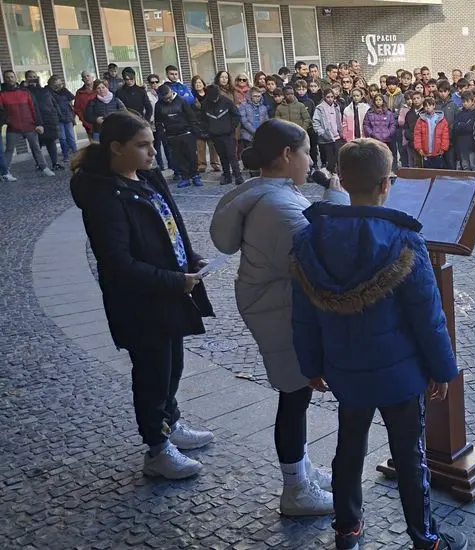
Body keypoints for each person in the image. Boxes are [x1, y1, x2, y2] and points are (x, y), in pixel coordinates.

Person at [290, 137, 468, 550]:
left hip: (344, 368)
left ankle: (346, 529)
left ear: (342, 179)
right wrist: (444, 369)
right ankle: (424, 538)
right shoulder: (402, 239)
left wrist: (311, 363)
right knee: (409, 457)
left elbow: (303, 313)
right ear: (387, 183)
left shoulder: (310, 237)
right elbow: (428, 315)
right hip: (399, 373)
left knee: (348, 449)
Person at [210, 119, 347, 516]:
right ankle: (295, 489)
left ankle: (300, 468)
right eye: (306, 152)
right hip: (279, 309)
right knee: (294, 395)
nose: (311, 161)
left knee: (297, 393)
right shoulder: (278, 205)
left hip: (275, 303)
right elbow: (323, 254)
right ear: (287, 155)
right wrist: (337, 200)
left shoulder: (272, 194)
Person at [69, 111, 215, 480]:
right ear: (117, 148)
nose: (153, 152)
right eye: (143, 145)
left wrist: (190, 256)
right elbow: (117, 261)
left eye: (152, 143)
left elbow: (170, 226)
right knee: (152, 374)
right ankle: (157, 447)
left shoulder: (147, 178)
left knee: (173, 366)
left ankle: (171, 423)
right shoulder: (104, 195)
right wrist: (172, 280)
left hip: (168, 294)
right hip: (141, 302)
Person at [1, 70, 55, 177]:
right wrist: (6, 121)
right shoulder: (2, 94)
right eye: (7, 77)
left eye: (12, 77)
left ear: (15, 77)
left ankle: (44, 167)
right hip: (13, 128)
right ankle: (5, 172)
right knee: (9, 150)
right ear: (4, 79)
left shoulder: (25, 92)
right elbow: (1, 111)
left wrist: (39, 123)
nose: (10, 79)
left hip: (29, 125)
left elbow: (34, 108)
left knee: (36, 148)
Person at [155, 83, 202, 188]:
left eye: (169, 98)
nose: (168, 101)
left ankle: (195, 175)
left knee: (191, 156)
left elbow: (191, 117)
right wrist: (162, 134)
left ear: (171, 92)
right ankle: (184, 177)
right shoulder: (159, 105)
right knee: (178, 158)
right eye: (165, 99)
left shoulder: (181, 101)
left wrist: (194, 132)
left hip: (186, 133)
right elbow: (158, 121)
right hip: (171, 135)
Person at [200, 84, 243, 186]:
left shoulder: (226, 101)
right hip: (215, 135)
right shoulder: (205, 104)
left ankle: (238, 176)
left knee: (232, 155)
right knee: (222, 157)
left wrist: (231, 128)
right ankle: (227, 176)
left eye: (216, 98)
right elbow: (203, 120)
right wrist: (209, 130)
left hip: (228, 134)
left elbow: (236, 115)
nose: (214, 100)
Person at [24, 70, 62, 170]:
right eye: (30, 77)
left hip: (48, 120)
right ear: (26, 78)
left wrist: (57, 115)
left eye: (34, 76)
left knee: (51, 142)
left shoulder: (44, 90)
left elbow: (54, 103)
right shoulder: (24, 91)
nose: (32, 78)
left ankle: (55, 163)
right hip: (34, 121)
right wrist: (24, 86)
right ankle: (40, 164)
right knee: (36, 145)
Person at [48, 75, 77, 167]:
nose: (58, 85)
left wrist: (63, 89)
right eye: (55, 83)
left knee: (71, 137)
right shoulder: (50, 93)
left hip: (67, 117)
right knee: (62, 138)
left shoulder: (64, 91)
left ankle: (76, 154)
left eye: (59, 83)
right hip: (58, 118)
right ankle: (65, 155)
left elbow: (72, 98)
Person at [312, 88, 343, 173]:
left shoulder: (336, 107)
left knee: (338, 158)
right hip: (326, 138)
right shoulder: (320, 108)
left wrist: (341, 131)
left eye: (332, 97)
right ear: (324, 97)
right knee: (330, 160)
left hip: (337, 136)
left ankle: (339, 176)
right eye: (328, 97)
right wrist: (322, 133)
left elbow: (339, 120)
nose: (330, 99)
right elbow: (316, 122)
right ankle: (330, 176)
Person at [413, 97, 450, 168]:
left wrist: (443, 148)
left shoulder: (441, 119)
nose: (428, 107)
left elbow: (445, 135)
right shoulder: (420, 120)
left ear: (434, 106)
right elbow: (417, 135)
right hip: (425, 151)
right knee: (427, 172)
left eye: (430, 105)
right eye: (426, 106)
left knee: (438, 171)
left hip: (438, 151)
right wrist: (419, 148)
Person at [74, 71, 98, 140]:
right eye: (84, 77)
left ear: (92, 77)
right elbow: (77, 108)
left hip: (101, 122)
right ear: (82, 80)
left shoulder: (99, 89)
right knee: (94, 146)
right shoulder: (79, 93)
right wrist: (83, 119)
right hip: (88, 124)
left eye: (88, 76)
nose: (86, 78)